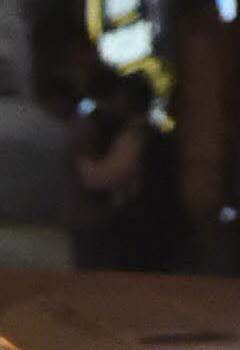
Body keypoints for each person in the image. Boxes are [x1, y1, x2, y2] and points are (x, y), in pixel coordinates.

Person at [69, 69, 184, 270]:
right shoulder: (156, 135)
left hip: (140, 228)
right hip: (159, 225)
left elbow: (101, 178)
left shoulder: (135, 135)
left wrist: (81, 154)